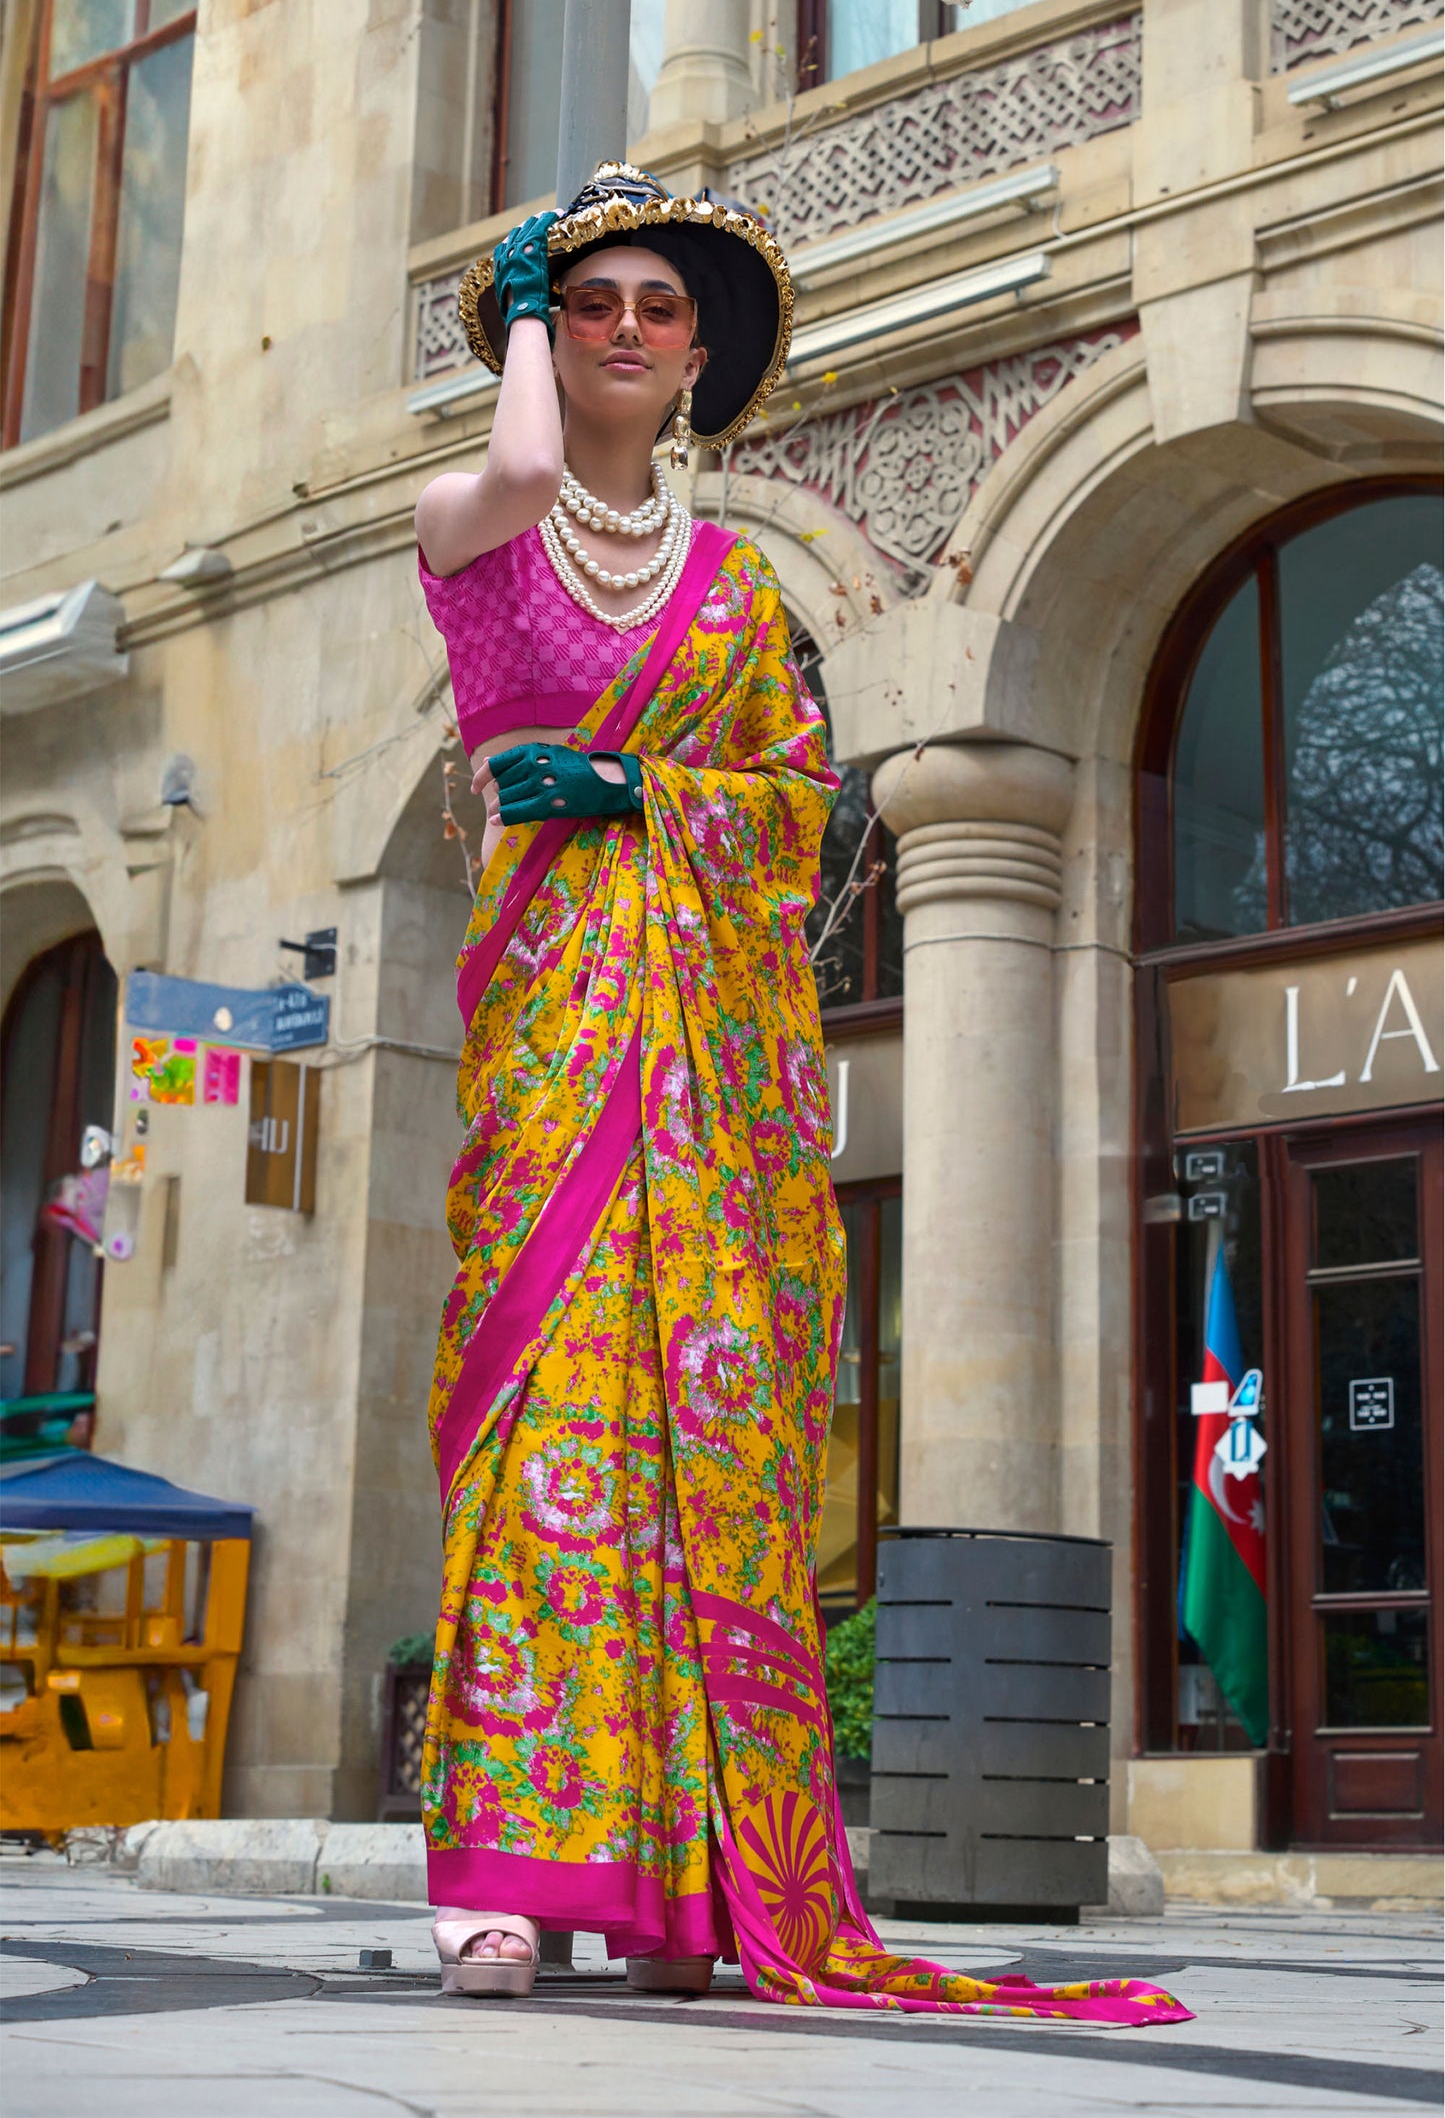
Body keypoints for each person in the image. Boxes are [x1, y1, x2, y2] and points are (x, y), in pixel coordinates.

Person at [413, 163, 1191, 2027]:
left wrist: (652, 800)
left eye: (654, 309)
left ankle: (677, 1873)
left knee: (697, 1465)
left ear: (698, 358)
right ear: (542, 330)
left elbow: (788, 817)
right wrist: (516, 299)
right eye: (588, 301)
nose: (619, 330)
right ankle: (504, 1885)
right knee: (545, 1436)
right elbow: (522, 477)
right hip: (556, 1047)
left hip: (701, 1077)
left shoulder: (741, 592)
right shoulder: (472, 520)